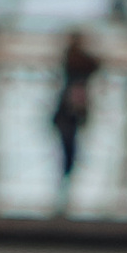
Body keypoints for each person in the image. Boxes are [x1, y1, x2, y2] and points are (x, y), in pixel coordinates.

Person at [50, 32, 96, 194]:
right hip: (68, 116)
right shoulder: (76, 64)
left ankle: (65, 180)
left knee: (69, 149)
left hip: (68, 116)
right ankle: (65, 179)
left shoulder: (74, 64)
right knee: (68, 148)